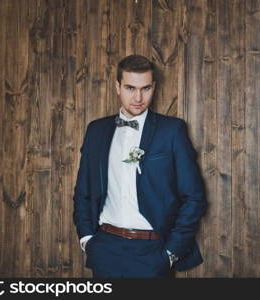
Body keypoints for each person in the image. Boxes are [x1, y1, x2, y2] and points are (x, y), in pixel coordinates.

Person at [73, 54, 207, 278]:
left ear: (154, 87)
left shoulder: (172, 131)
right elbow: (83, 191)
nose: (138, 97)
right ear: (117, 87)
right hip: (105, 248)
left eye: (145, 88)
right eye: (130, 88)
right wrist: (87, 239)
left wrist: (170, 252)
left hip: (153, 251)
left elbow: (194, 197)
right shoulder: (96, 130)